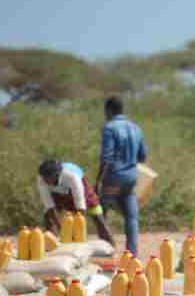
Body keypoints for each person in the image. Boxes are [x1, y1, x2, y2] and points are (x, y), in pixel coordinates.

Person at [96, 96, 148, 257]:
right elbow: (143, 156)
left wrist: (98, 181)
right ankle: (132, 254)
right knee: (131, 216)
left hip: (114, 177)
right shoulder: (136, 128)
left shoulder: (110, 128)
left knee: (101, 211)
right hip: (131, 177)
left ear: (108, 110)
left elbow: (107, 157)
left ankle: (105, 250)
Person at [37, 160, 114, 245]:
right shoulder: (42, 180)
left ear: (55, 175)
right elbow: (50, 206)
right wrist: (62, 229)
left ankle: (110, 246)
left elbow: (80, 205)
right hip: (57, 192)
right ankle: (51, 246)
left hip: (79, 187)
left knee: (97, 215)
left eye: (47, 178)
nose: (44, 180)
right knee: (48, 218)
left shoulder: (71, 176)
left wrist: (76, 229)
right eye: (43, 177)